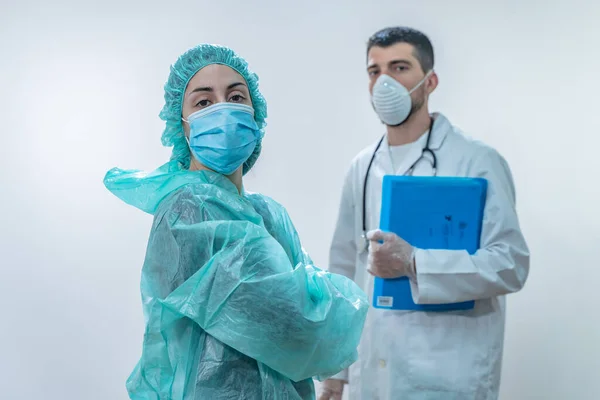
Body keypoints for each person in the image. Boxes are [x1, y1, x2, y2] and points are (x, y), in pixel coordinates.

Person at [103, 44, 368, 400]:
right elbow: (301, 326)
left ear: (255, 115)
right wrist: (324, 299)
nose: (223, 111)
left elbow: (306, 330)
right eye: (203, 103)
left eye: (236, 97)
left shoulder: (269, 215)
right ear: (181, 125)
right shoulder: (189, 211)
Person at [319, 27, 530, 400]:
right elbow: (343, 271)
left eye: (400, 68)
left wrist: (416, 262)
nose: (385, 82)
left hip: (448, 372)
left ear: (429, 81)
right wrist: (336, 373)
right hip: (374, 373)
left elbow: (511, 264)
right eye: (375, 71)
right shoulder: (362, 167)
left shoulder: (475, 161)